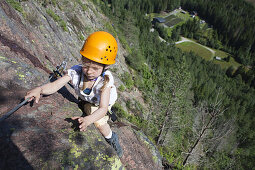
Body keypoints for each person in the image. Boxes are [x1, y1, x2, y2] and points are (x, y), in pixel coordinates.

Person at [25, 31, 123, 158]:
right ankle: (85, 104)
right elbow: (55, 85)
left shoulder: (105, 81)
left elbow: (103, 108)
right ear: (82, 60)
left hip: (101, 102)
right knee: (86, 106)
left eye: (95, 69)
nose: (89, 72)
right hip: (88, 98)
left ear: (105, 68)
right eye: (86, 66)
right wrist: (40, 89)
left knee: (99, 123)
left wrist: (88, 120)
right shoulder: (76, 72)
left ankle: (112, 138)